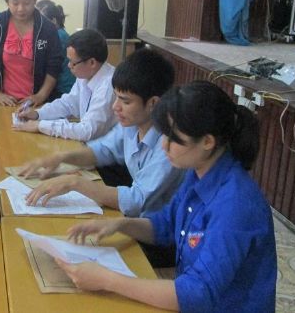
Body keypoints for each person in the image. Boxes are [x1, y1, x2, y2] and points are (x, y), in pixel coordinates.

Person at [57, 81, 277, 313]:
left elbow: (197, 294)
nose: (164, 145)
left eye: (174, 138)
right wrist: (120, 224)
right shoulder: (198, 172)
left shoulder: (235, 205)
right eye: (164, 134)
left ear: (207, 141)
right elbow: (165, 225)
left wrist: (108, 280)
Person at [19, 49, 185, 221]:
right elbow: (103, 150)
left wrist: (74, 183)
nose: (115, 107)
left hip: (157, 228)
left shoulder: (170, 145)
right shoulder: (132, 125)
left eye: (125, 101)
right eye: (116, 97)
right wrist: (61, 157)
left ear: (153, 103)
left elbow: (137, 201)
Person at [14, 28, 116, 141]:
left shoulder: (108, 86)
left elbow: (87, 131)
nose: (69, 66)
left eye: (73, 62)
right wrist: (37, 114)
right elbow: (67, 104)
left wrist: (40, 126)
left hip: (104, 149)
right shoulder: (86, 75)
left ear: (92, 62)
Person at [0, 0, 62, 106]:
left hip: (36, 103)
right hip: (3, 101)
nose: (21, 9)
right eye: (15, 3)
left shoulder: (47, 28)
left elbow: (54, 65)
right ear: (7, 2)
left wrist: (40, 96)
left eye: (27, 3)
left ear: (35, 0)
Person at [42, 4, 75, 95]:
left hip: (63, 87)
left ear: (53, 20)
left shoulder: (59, 37)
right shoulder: (61, 34)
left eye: (43, 21)